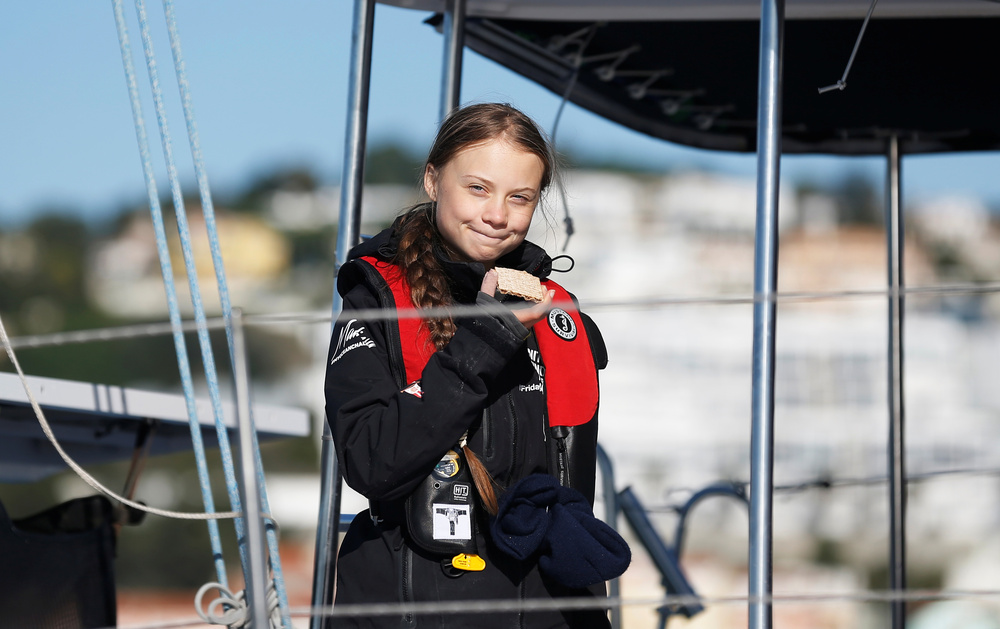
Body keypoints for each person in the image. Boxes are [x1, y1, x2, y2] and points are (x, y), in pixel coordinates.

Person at [324, 103, 619, 628]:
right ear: (433, 180)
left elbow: (571, 490)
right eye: (478, 189)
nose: (497, 215)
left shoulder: (557, 316)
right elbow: (370, 463)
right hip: (414, 603)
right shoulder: (374, 302)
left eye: (519, 197)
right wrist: (486, 337)